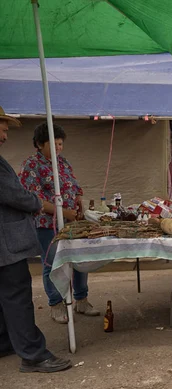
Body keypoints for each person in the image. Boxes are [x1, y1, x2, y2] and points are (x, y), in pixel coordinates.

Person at [0, 107, 71, 373]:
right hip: (6, 243)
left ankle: (6, 341)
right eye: (4, 129)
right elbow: (16, 194)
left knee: (5, 296)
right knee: (17, 295)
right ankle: (32, 354)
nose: (6, 135)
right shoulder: (25, 165)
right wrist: (36, 203)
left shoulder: (62, 163)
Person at [19, 123, 100, 324]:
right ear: (39, 144)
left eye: (61, 143)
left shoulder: (62, 162)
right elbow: (34, 199)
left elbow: (73, 185)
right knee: (53, 262)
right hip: (47, 223)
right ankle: (56, 304)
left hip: (71, 220)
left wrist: (78, 200)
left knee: (78, 258)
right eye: (53, 144)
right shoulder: (32, 165)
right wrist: (64, 212)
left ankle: (81, 299)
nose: (58, 148)